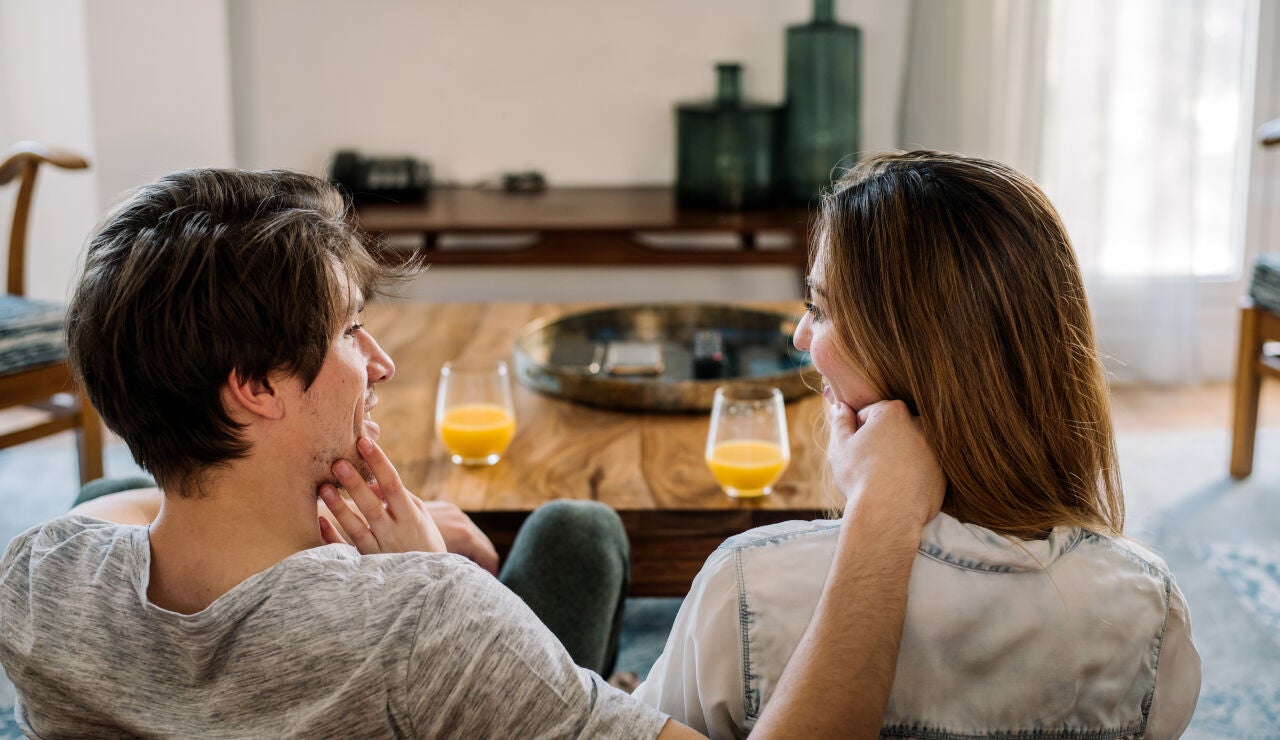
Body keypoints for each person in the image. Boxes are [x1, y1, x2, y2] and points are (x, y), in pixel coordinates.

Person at [0, 168, 944, 737]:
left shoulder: (39, 575)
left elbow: (118, 509)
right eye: (348, 332)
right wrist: (883, 519)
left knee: (118, 484)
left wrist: (372, 556)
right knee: (577, 534)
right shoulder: (429, 621)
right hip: (448, 681)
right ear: (255, 384)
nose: (381, 363)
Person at [634, 151, 1202, 739]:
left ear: (909, 354)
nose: (801, 335)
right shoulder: (1148, 608)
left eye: (820, 309)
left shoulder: (748, 589)